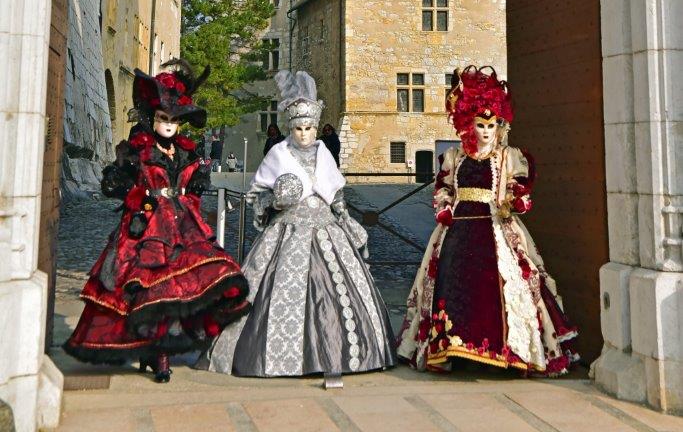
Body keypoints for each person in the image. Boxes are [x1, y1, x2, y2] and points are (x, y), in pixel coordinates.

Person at [64, 60, 250, 382]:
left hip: (182, 222)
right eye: (163, 117)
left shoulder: (185, 153)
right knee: (146, 287)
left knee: (189, 280)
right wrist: (125, 182)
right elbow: (116, 182)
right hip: (148, 224)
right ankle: (155, 351)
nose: (168, 124)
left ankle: (161, 349)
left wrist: (195, 182)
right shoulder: (139, 149)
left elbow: (191, 182)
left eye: (174, 119)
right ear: (153, 117)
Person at [202, 71, 397, 377]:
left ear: (315, 128)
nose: (304, 134)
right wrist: (277, 200)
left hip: (326, 229)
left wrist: (345, 218)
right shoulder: (278, 154)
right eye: (298, 128)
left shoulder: (324, 154)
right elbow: (258, 196)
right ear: (290, 127)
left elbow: (336, 194)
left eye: (308, 128)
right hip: (287, 230)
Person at [396, 65, 578, 375]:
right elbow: (444, 188)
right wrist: (443, 206)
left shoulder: (508, 157)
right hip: (456, 232)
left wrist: (516, 201)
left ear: (499, 126)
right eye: (480, 125)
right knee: (452, 286)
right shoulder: (455, 157)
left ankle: (505, 349)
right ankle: (453, 348)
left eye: (491, 126)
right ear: (468, 124)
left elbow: (517, 191)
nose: (485, 132)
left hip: (496, 229)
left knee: (503, 288)